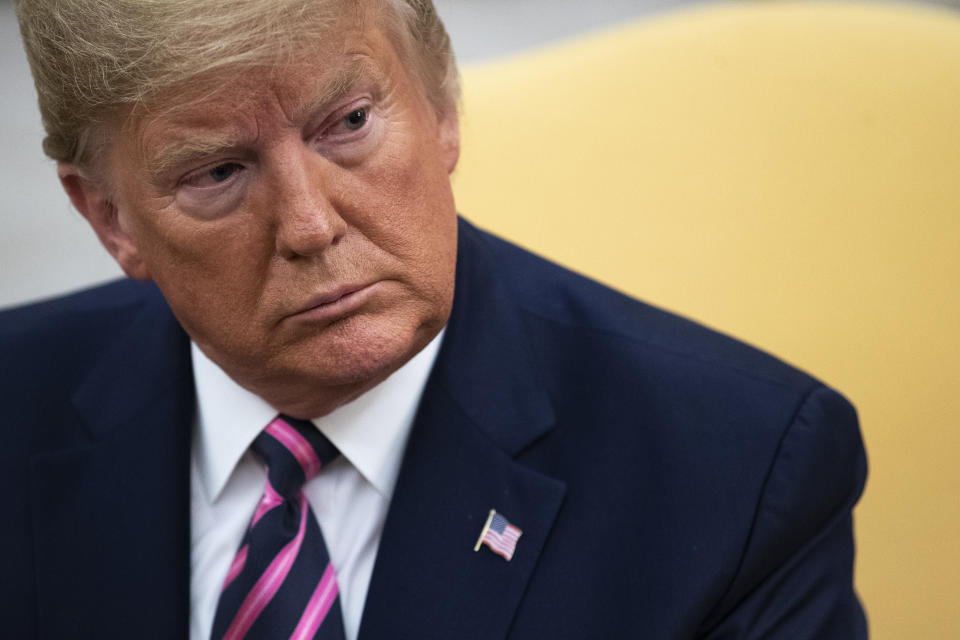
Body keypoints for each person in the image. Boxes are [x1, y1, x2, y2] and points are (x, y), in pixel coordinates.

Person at [2, 1, 867, 638]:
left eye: (347, 124)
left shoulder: (741, 472)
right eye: (219, 172)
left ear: (441, 109)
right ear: (110, 217)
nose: (310, 225)